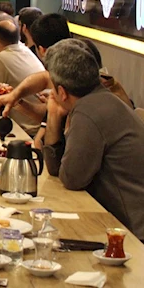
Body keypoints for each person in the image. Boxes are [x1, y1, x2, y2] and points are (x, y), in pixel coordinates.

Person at [38, 39, 144, 240]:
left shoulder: (89, 112)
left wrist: (53, 114)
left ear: (62, 92)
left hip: (132, 233)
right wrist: (54, 115)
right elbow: (57, 169)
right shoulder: (101, 98)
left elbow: (71, 178)